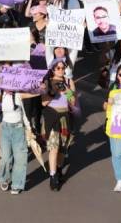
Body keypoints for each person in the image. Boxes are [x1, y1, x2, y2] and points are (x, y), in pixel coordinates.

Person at [42, 58, 76, 191]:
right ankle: (52, 175)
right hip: (52, 117)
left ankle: (59, 169)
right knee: (53, 147)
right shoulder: (47, 82)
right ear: (53, 69)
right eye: (58, 68)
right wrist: (54, 93)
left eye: (63, 68)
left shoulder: (68, 81)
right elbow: (43, 102)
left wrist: (66, 91)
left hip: (65, 118)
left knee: (63, 148)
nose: (61, 70)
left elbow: (73, 102)